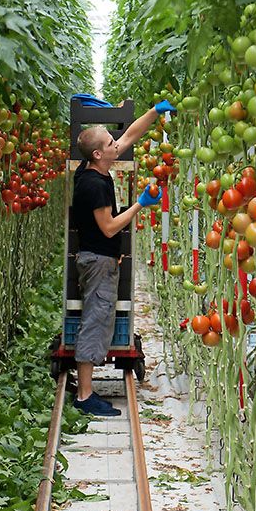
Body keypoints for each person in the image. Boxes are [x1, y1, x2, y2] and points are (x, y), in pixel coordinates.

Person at [70, 99, 175, 416]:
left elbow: (129, 136)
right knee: (94, 321)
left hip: (98, 259)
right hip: (98, 261)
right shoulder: (94, 186)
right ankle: (86, 396)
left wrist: (155, 112)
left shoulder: (91, 170)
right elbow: (110, 227)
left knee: (98, 318)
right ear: (100, 154)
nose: (118, 145)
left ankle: (87, 392)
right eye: (111, 143)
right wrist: (141, 204)